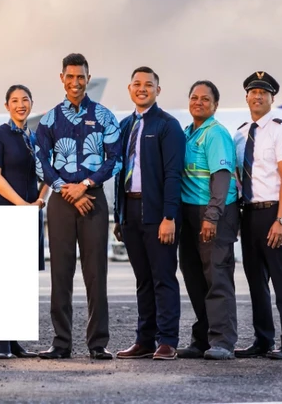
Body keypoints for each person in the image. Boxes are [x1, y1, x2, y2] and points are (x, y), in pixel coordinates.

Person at [34, 53, 122, 360]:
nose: (75, 82)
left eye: (81, 77)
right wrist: (65, 188)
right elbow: (40, 160)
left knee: (96, 274)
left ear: (87, 77)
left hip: (93, 200)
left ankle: (97, 344)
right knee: (61, 274)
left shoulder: (105, 117)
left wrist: (84, 186)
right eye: (70, 76)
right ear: (62, 78)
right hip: (61, 201)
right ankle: (61, 343)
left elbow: (115, 159)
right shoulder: (49, 119)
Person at [112, 67, 184, 361]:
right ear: (130, 89)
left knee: (163, 277)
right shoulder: (125, 126)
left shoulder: (168, 125)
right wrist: (119, 216)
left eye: (149, 84)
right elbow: (119, 174)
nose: (142, 89)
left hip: (157, 213)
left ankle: (167, 340)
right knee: (142, 279)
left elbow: (173, 174)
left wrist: (169, 216)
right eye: (137, 84)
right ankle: (144, 339)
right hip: (130, 209)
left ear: (158, 90)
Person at [233, 71, 282, 360]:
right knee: (255, 281)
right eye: (253, 91)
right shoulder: (240, 133)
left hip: (275, 211)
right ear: (247, 96)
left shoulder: (281, 130)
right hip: (248, 215)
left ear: (272, 97)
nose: (257, 96)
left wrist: (281, 219)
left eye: (264, 92)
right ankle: (263, 340)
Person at [177, 80, 240, 361]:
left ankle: (223, 341)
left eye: (205, 99)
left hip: (213, 213)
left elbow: (222, 177)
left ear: (215, 105)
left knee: (217, 276)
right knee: (194, 278)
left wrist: (212, 216)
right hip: (190, 213)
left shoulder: (215, 133)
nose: (198, 102)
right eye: (194, 97)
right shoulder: (188, 133)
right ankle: (202, 338)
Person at [0, 84, 49, 359]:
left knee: (21, 279)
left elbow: (49, 173)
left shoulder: (35, 139)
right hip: (5, 211)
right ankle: (2, 342)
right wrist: (21, 204)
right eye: (14, 100)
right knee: (5, 278)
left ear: (31, 103)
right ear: (6, 105)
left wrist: (39, 200)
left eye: (25, 100)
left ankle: (13, 342)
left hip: (30, 212)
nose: (20, 104)